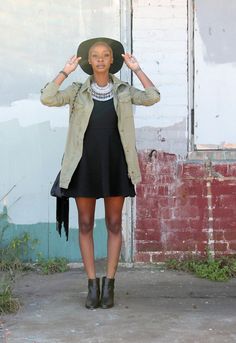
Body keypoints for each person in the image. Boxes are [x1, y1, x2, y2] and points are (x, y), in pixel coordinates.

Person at [40, 37, 160, 310]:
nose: (101, 59)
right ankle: (92, 284)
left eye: (106, 55)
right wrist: (65, 71)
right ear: (89, 61)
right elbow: (47, 97)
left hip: (115, 165)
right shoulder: (76, 91)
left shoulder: (124, 90)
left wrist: (138, 69)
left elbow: (153, 96)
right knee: (85, 224)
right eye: (96, 55)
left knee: (115, 224)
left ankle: (110, 284)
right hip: (84, 165)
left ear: (112, 60)